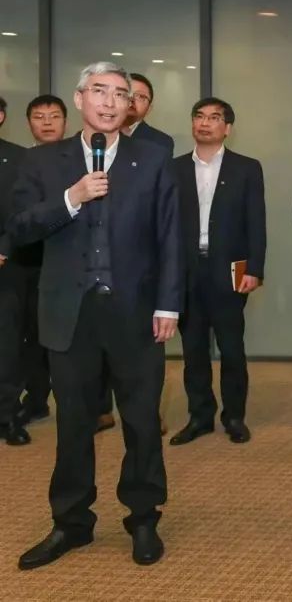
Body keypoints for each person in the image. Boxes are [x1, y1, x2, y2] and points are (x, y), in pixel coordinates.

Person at [9, 61, 182, 569]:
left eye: (120, 94)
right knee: (73, 423)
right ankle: (71, 522)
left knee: (142, 420)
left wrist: (168, 303)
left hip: (137, 312)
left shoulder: (154, 160)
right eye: (99, 91)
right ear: (80, 98)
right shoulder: (43, 161)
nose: (109, 102)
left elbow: (170, 236)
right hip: (70, 312)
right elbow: (19, 228)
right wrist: (71, 197)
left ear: (131, 105)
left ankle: (143, 517)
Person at [170, 98, 266, 446]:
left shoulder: (247, 168)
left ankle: (234, 416)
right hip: (186, 270)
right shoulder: (174, 169)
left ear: (227, 128)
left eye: (214, 118)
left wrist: (255, 268)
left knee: (231, 348)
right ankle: (200, 417)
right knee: (193, 350)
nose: (205, 123)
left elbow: (256, 221)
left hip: (229, 269)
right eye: (199, 116)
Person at [99, 71, 173, 434]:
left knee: (140, 355)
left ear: (147, 105)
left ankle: (146, 414)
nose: (130, 103)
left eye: (139, 97)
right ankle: (101, 408)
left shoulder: (157, 145)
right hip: (96, 261)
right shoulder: (92, 142)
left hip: (139, 263)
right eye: (126, 95)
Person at [15, 95, 70, 428]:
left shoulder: (78, 159)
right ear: (28, 123)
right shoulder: (20, 160)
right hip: (27, 260)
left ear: (66, 121)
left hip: (67, 262)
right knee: (31, 336)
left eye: (54, 116)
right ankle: (36, 400)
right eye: (39, 117)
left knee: (72, 337)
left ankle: (89, 406)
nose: (47, 123)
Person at [0, 94, 31, 445]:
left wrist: (4, 247)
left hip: (5, 266)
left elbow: (23, 213)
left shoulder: (19, 159)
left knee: (8, 345)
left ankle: (7, 416)